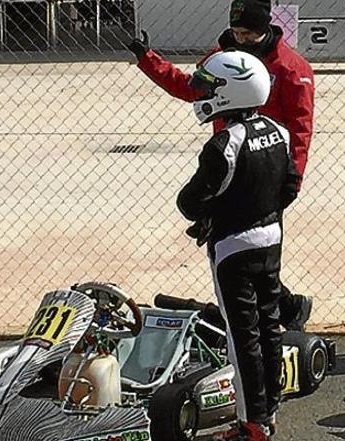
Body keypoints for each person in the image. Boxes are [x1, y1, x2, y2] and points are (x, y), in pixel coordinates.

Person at [128, 0, 314, 332]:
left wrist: (293, 177)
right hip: (228, 169)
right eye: (236, 31)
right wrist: (147, 58)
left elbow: (301, 127)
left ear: (264, 28)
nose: (240, 38)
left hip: (266, 173)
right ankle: (281, 310)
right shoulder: (220, 58)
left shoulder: (291, 67)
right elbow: (189, 88)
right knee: (232, 254)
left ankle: (270, 323)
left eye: (247, 33)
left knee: (259, 256)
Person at [176, 49, 300, 441]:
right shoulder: (278, 132)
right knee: (269, 325)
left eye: (211, 87)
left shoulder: (224, 144)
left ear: (231, 92)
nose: (203, 94)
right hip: (272, 240)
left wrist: (213, 215)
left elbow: (189, 202)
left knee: (241, 335)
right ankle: (270, 410)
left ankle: (252, 423)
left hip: (233, 249)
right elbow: (290, 185)